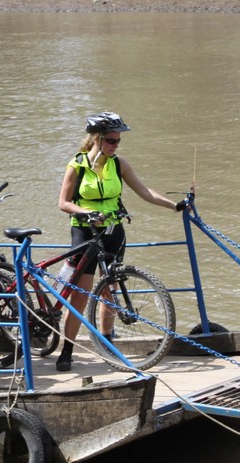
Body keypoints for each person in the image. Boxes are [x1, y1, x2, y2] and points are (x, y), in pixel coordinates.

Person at [54, 111, 186, 372]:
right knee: (80, 295)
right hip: (85, 233)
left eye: (118, 141)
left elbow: (145, 192)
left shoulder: (118, 164)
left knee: (110, 290)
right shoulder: (77, 165)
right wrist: (86, 212)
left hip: (113, 233)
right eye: (112, 141)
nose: (116, 145)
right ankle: (66, 349)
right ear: (97, 139)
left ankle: (106, 343)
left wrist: (175, 206)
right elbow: (63, 203)